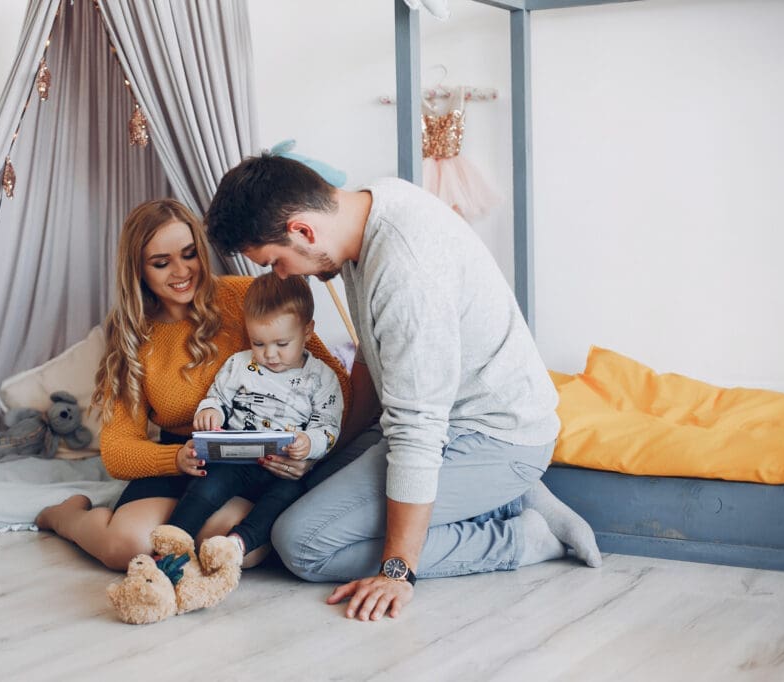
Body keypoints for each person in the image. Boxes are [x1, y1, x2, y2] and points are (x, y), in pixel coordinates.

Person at [204, 154, 602, 622]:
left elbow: (419, 430)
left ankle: (523, 537)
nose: (284, 276)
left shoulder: (406, 270)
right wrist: (329, 453)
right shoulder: (367, 210)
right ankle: (512, 494)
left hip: (488, 434)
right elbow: (374, 360)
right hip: (445, 425)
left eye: (276, 262)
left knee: (302, 544)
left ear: (303, 230)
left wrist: (398, 570)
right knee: (304, 483)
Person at [35, 198, 350, 570]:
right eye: (161, 262)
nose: (181, 271)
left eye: (189, 255)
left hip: (246, 461)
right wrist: (177, 458)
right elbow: (117, 449)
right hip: (178, 460)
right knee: (126, 547)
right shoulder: (133, 332)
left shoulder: (247, 298)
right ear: (138, 270)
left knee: (231, 548)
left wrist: (310, 457)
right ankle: (66, 516)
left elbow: (337, 388)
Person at [167, 273, 343, 558]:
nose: (269, 354)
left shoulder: (322, 378)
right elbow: (218, 396)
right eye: (258, 343)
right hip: (236, 460)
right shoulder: (239, 364)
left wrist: (309, 443)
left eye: (282, 344)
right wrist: (210, 411)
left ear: (307, 331)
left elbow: (329, 426)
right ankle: (172, 542)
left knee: (288, 498)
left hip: (285, 469)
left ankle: (238, 544)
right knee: (205, 487)